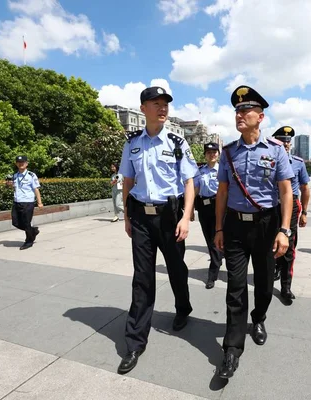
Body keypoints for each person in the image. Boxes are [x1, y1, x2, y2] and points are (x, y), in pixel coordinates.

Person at [117, 86, 198, 375]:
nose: (162, 108)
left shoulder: (177, 142)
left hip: (170, 215)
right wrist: (127, 217)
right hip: (140, 214)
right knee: (142, 277)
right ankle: (135, 342)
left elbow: (189, 182)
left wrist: (186, 217)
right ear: (143, 109)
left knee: (177, 268)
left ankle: (183, 308)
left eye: (165, 103)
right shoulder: (132, 144)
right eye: (156, 103)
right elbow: (127, 181)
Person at [214, 85, 294, 379]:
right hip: (234, 225)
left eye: (245, 110)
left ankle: (258, 318)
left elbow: (286, 193)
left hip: (266, 225)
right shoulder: (229, 152)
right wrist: (219, 227)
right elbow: (222, 191)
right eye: (237, 110)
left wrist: (284, 230)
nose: (239, 115)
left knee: (262, 283)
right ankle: (232, 349)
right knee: (235, 287)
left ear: (260, 117)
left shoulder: (275, 150)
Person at [271, 126, 310, 303]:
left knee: (289, 245)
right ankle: (274, 269)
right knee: (269, 241)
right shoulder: (268, 159)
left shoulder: (297, 162)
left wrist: (305, 213)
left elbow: (305, 188)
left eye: (288, 141)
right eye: (281, 140)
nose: (285, 143)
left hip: (291, 205)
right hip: (271, 205)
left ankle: (286, 286)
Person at [193, 142, 223, 289]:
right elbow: (196, 189)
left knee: (218, 237)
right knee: (209, 239)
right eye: (209, 152)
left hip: (219, 206)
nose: (212, 154)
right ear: (205, 155)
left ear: (218, 154)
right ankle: (217, 260)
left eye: (214, 152)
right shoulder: (199, 171)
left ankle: (213, 272)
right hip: (204, 208)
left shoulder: (223, 170)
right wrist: (190, 209)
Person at [6, 155, 43, 250]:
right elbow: (13, 187)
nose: (21, 164)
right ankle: (33, 231)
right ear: (16, 164)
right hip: (17, 202)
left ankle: (29, 241)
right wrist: (8, 185)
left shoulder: (31, 175)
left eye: (23, 162)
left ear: (26, 164)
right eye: (19, 162)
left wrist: (39, 202)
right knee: (15, 222)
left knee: (26, 223)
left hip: (28, 202)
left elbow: (36, 189)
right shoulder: (14, 175)